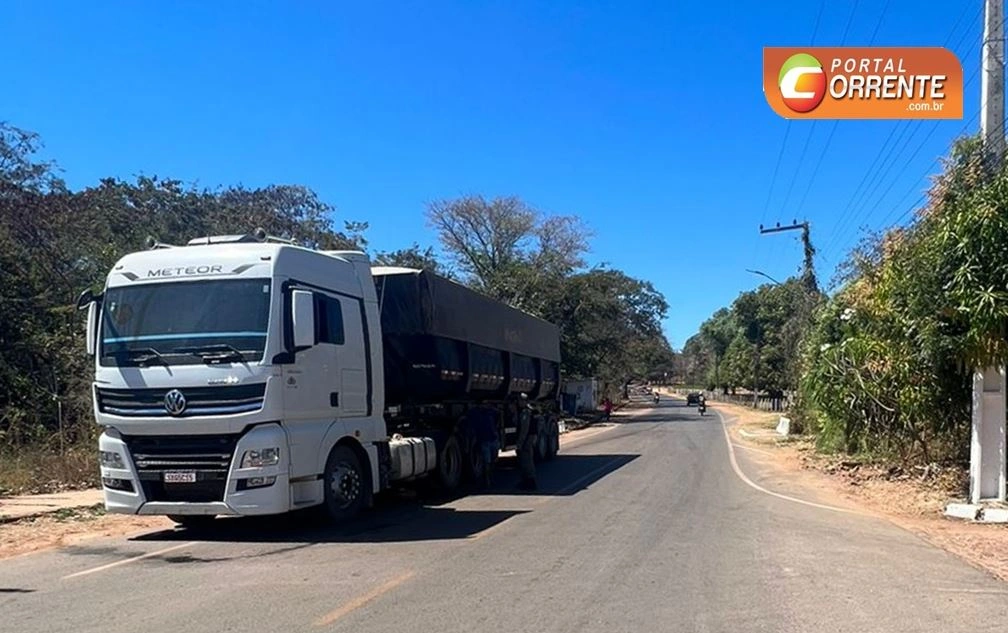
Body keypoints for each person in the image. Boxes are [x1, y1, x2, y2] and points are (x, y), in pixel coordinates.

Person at [470, 404, 499, 488]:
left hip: (492, 439)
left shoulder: (491, 412)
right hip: (485, 441)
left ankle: (489, 479)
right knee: (487, 462)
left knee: (492, 461)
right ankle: (487, 480)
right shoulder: (477, 414)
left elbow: (498, 413)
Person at [515, 393, 538, 491]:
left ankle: (530, 482)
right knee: (527, 460)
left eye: (520, 400)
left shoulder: (526, 412)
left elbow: (524, 429)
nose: (519, 403)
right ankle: (527, 481)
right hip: (530, 438)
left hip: (527, 439)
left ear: (524, 401)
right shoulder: (530, 410)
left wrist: (520, 443)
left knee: (526, 461)